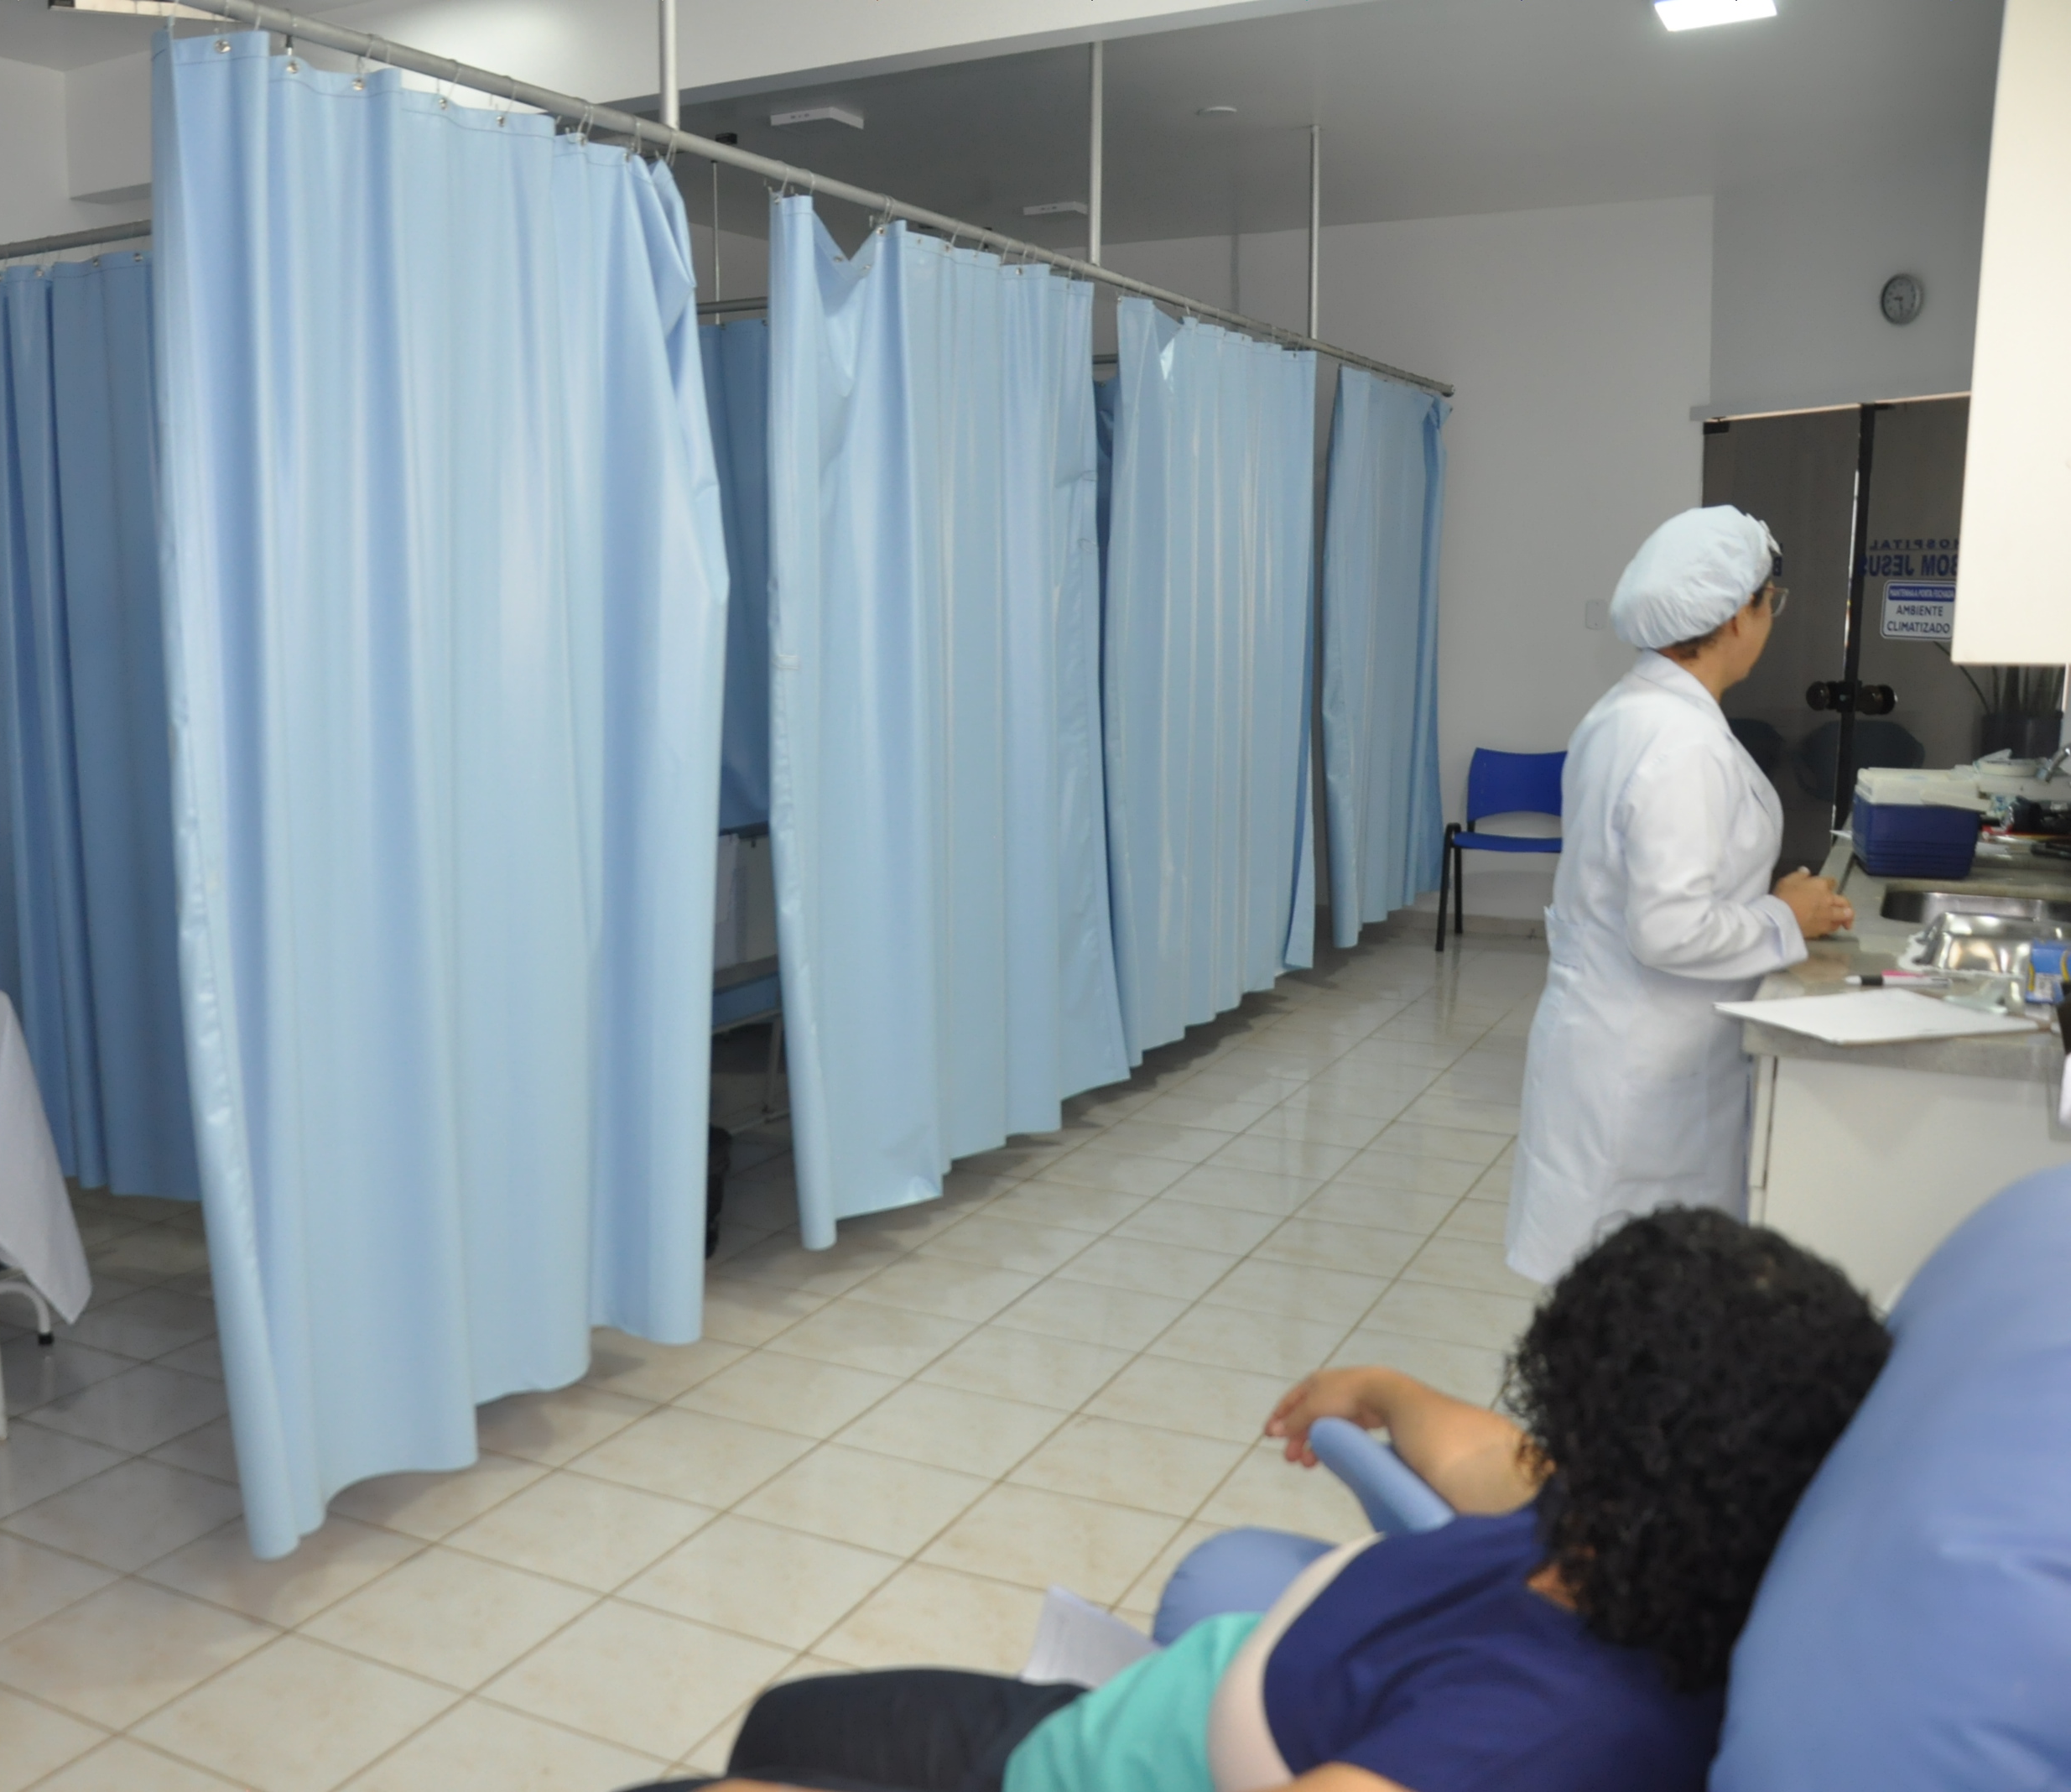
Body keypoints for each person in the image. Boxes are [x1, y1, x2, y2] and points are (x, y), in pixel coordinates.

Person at [626, 1208, 1890, 1792]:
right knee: (784, 1719)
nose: (1544, 1453)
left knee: (751, 1770)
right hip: (1123, 1720)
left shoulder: (1529, 1735)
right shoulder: (1656, 1536)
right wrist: (1382, 1390)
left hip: (1072, 1773)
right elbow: (1494, 1461)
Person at [1506, 507, 1855, 1283]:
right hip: (1647, 1064)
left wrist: (1769, 897)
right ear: (1736, 617)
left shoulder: (1628, 712)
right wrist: (1783, 917)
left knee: (1615, 1283)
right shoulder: (1681, 741)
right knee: (1642, 1288)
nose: (1770, 619)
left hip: (1618, 1040)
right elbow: (1668, 928)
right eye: (1770, 601)